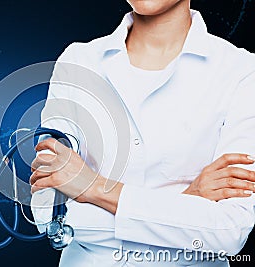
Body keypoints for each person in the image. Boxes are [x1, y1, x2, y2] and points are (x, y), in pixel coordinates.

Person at [29, 0, 255, 266]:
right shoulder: (78, 61)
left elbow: (228, 232)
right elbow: (51, 216)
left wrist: (93, 188)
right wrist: (188, 202)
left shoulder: (241, 71)